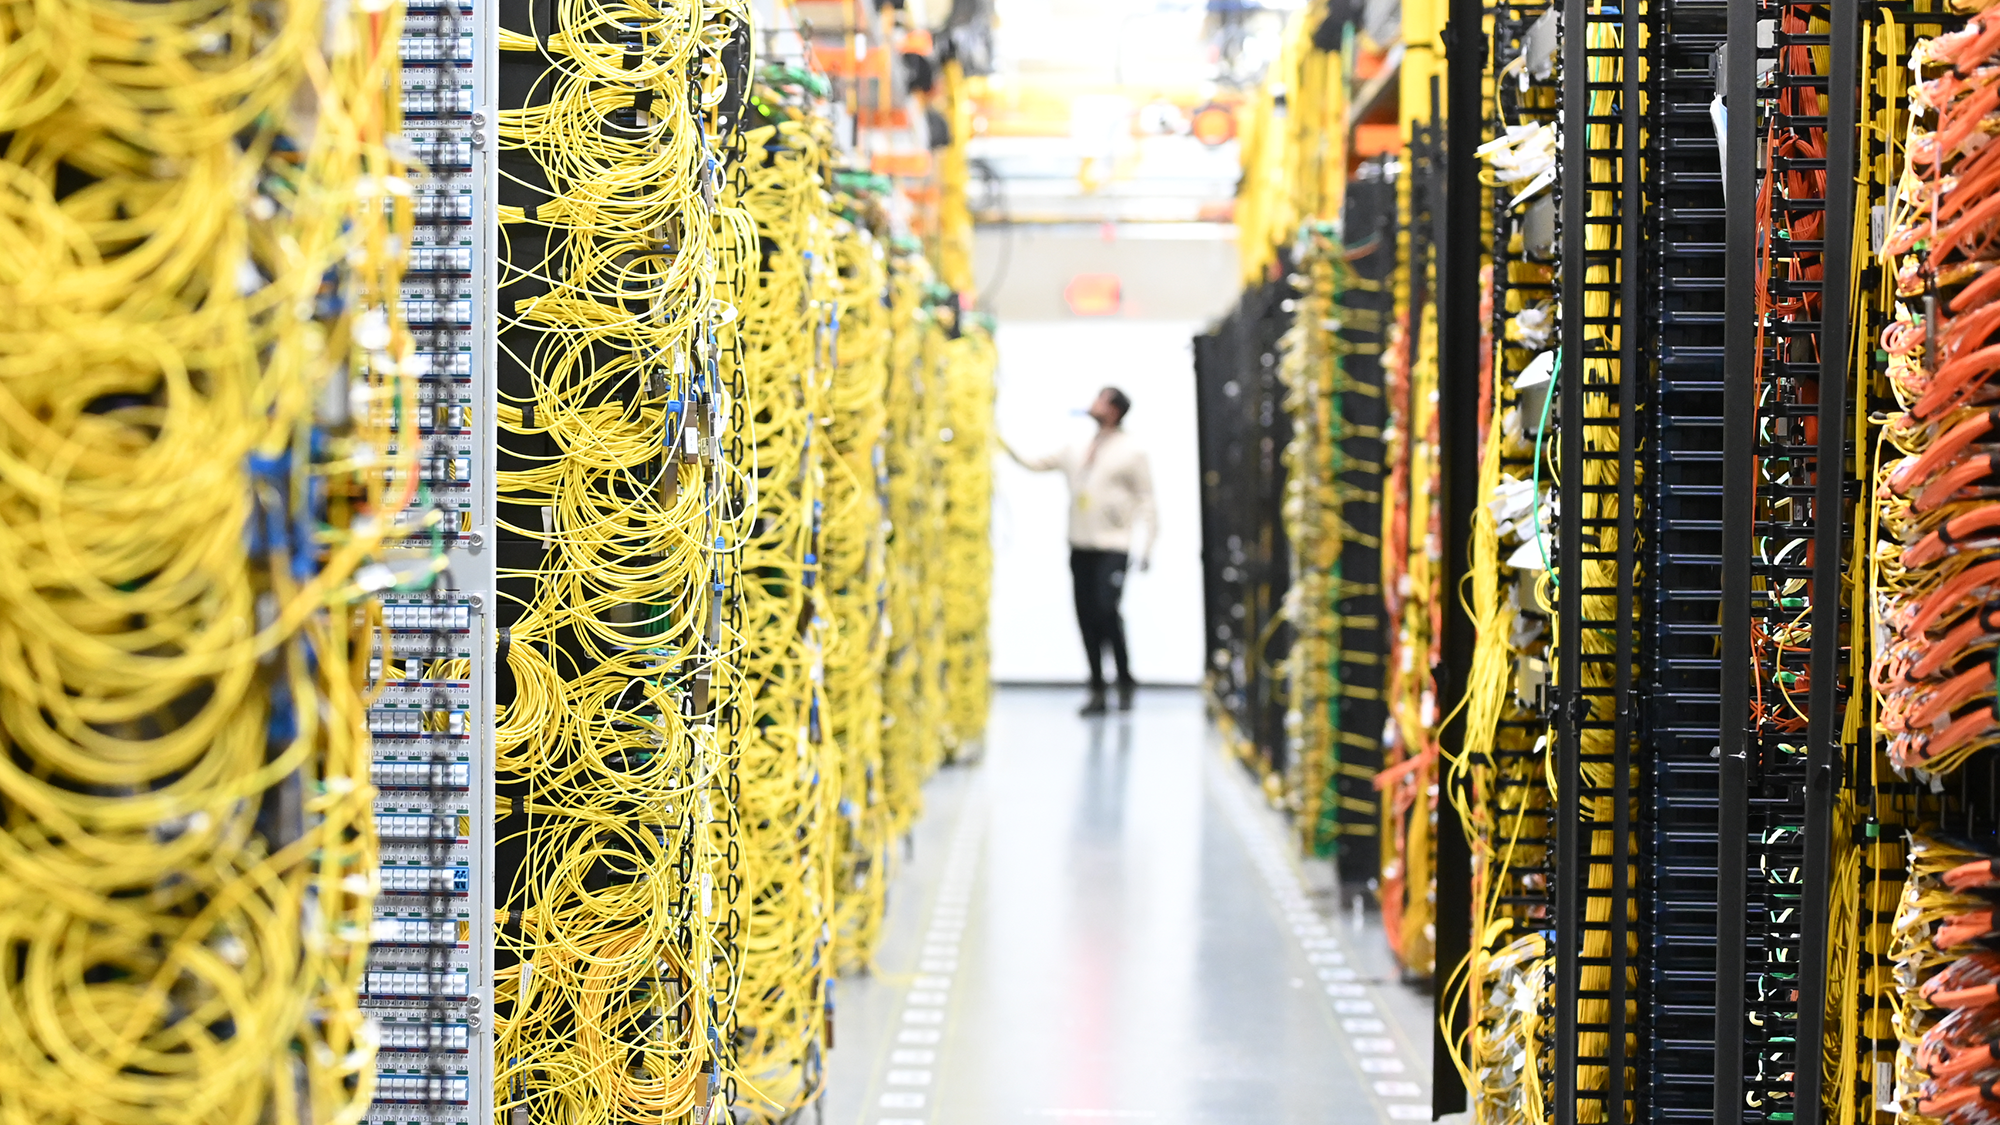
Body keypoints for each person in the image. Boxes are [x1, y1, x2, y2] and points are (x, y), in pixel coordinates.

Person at [1004, 386, 1158, 715]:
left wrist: (1147, 546)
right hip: (1081, 545)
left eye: (1100, 399)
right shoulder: (1077, 448)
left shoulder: (1131, 452)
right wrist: (1000, 441)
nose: (1092, 404)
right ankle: (1098, 687)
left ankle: (1125, 679)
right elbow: (1035, 463)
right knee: (1086, 615)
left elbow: (1147, 500)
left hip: (1113, 546)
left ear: (1114, 409)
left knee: (1107, 610)